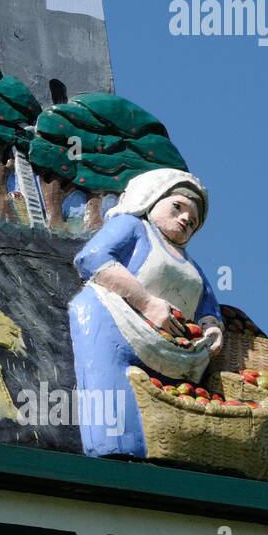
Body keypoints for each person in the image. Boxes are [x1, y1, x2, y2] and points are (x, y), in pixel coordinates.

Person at [68, 168, 224, 458]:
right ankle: (115, 449)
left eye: (192, 221)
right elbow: (92, 258)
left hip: (173, 348)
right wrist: (147, 303)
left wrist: (211, 327)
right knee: (117, 404)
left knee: (175, 416)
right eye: (177, 208)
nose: (184, 219)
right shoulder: (133, 226)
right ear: (154, 200)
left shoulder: (191, 265)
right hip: (115, 322)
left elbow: (207, 304)